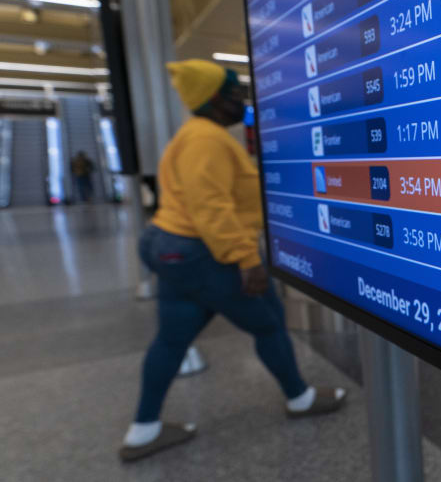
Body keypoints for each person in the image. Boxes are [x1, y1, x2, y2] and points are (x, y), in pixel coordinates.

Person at [120, 60, 347, 462]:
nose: (243, 100)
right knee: (269, 322)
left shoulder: (192, 135)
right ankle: (300, 397)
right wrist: (246, 260)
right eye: (235, 93)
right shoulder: (206, 141)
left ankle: (143, 430)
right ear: (214, 99)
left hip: (173, 248)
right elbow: (210, 207)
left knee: (172, 338)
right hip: (202, 251)